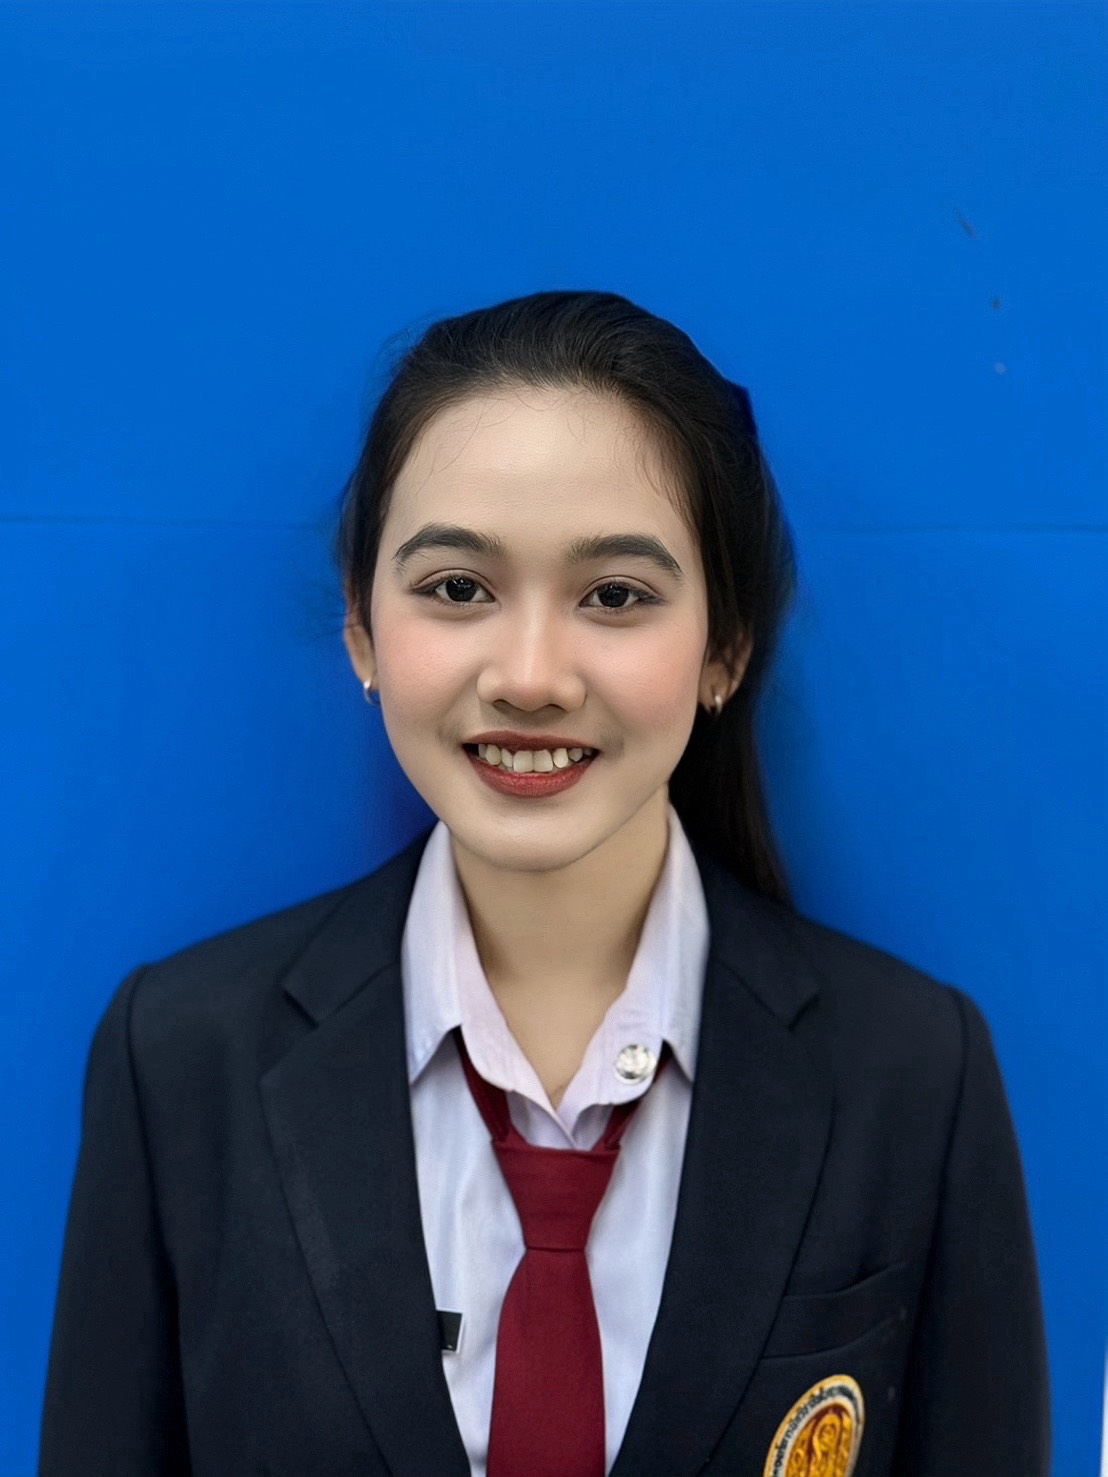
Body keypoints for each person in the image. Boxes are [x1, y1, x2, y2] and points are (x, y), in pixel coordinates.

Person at [39, 291, 1050, 1477]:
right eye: (456, 588)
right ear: (361, 628)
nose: (529, 677)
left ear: (725, 646)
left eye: (614, 595)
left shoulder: (914, 1072)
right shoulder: (179, 1058)